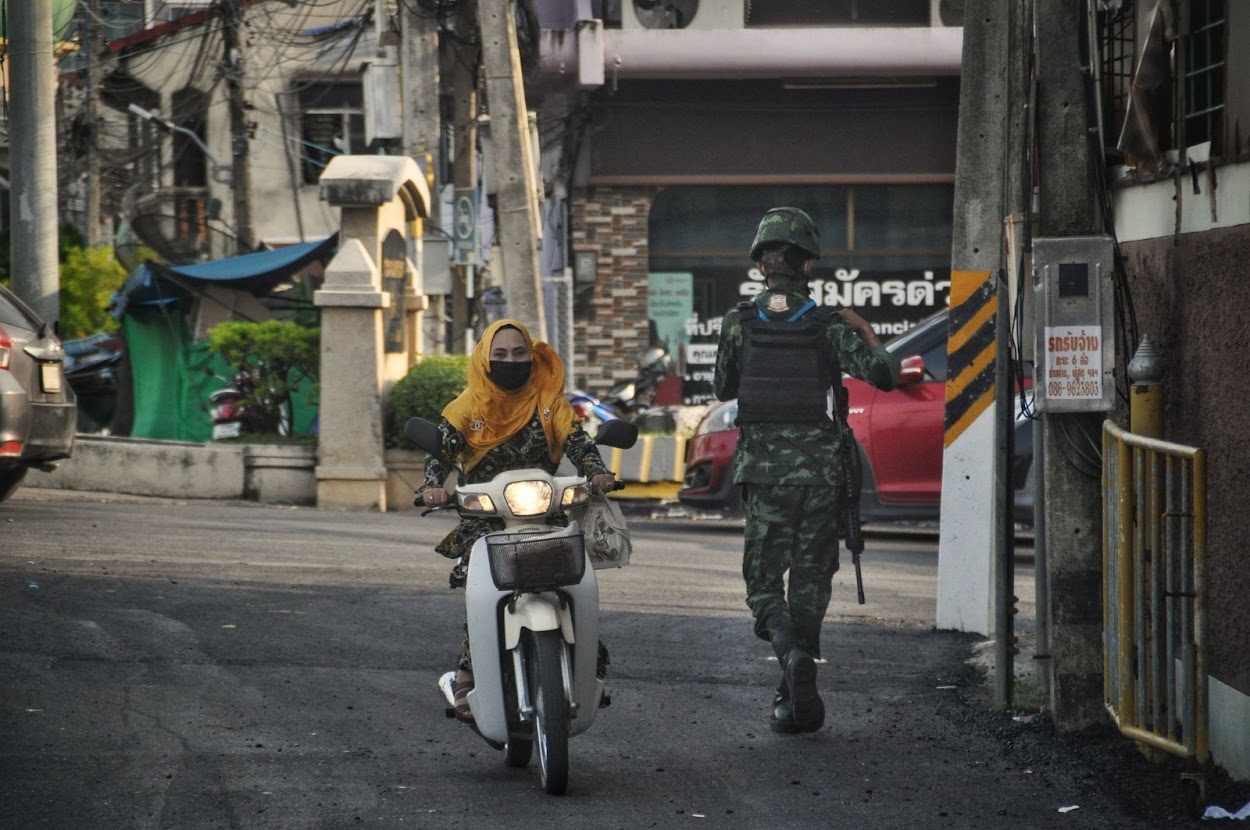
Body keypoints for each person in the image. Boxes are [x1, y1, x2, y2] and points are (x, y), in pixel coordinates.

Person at [713, 207, 901, 734]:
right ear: (808, 265)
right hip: (822, 471)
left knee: (764, 581)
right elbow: (885, 377)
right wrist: (866, 331)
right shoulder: (828, 325)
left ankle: (789, 654)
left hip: (765, 474)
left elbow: (723, 388)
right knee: (812, 579)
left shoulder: (738, 322)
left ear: (761, 265)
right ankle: (794, 685)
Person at [417, 319, 616, 723]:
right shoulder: (466, 408)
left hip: (545, 510)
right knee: (480, 584)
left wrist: (597, 470)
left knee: (576, 580)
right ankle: (466, 673)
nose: (511, 361)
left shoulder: (549, 403)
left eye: (520, 353)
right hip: (486, 514)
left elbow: (579, 443)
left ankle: (582, 667)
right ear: (485, 359)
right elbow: (440, 452)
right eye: (501, 355)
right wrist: (432, 485)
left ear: (533, 355)